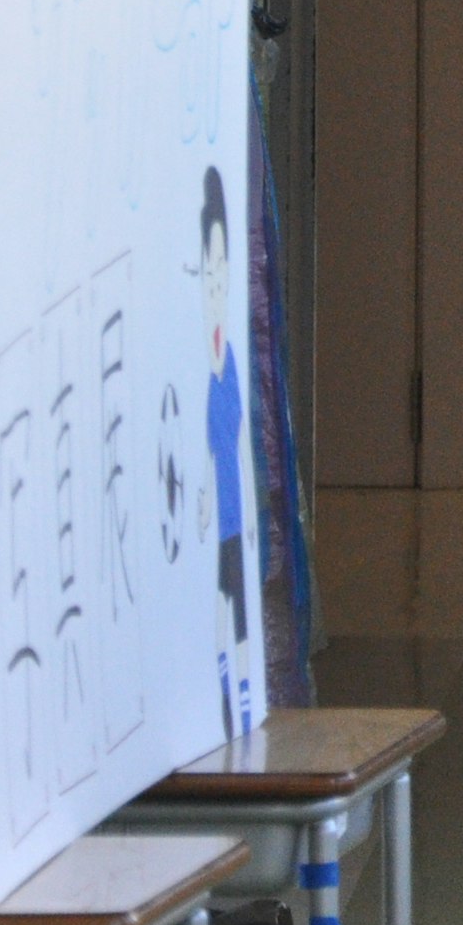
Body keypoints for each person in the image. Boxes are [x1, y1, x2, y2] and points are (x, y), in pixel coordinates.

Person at [200, 167, 248, 649]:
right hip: (219, 528)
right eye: (207, 273)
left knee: (240, 629)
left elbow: (240, 446)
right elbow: (212, 454)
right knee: (220, 618)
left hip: (236, 525)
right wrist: (204, 504)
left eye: (223, 271)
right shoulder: (206, 371)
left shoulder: (229, 362)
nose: (216, 286)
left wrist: (251, 516)